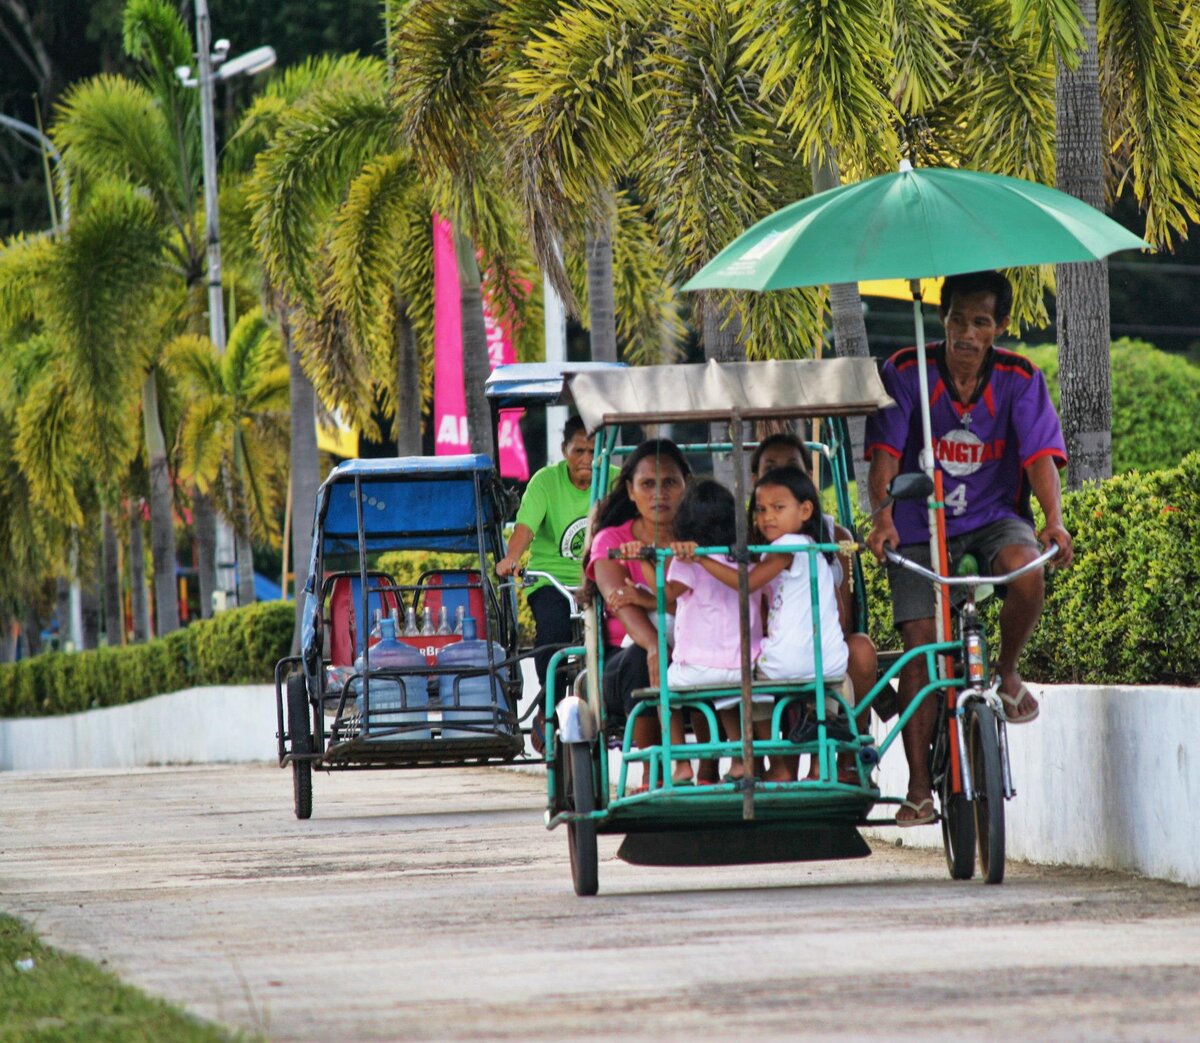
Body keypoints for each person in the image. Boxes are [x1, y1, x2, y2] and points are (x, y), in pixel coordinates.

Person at [864, 269, 1074, 827]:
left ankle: (1005, 672)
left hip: (993, 518)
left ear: (999, 326)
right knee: (924, 649)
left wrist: (1053, 521)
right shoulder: (905, 370)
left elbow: (1039, 459)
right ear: (942, 318)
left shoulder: (1021, 377)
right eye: (957, 318)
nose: (965, 333)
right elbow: (884, 455)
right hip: (918, 521)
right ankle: (916, 789)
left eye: (980, 322)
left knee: (1029, 573)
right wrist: (882, 519)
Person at [693, 466, 850, 783]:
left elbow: (746, 584)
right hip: (831, 662)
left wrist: (702, 559)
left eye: (778, 508)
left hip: (785, 663)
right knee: (830, 687)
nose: (767, 518)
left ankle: (773, 761)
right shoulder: (817, 550)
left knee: (746, 676)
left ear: (805, 510)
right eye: (761, 510)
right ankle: (820, 765)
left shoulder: (786, 545)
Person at [496, 415, 615, 751]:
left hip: (602, 577)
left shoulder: (616, 481)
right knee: (552, 634)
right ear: (565, 451)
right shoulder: (545, 482)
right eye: (579, 450)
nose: (586, 459)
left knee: (618, 633)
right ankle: (549, 706)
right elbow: (525, 529)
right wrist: (513, 558)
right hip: (553, 581)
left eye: (593, 451)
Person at [583, 439, 692, 792]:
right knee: (638, 658)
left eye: (670, 483)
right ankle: (652, 769)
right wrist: (656, 646)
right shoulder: (611, 540)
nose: (659, 494)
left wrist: (649, 599)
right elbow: (620, 602)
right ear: (630, 490)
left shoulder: (700, 539)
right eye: (648, 484)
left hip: (697, 644)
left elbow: (712, 602)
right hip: (626, 656)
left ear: (686, 485)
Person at [750, 432, 881, 721]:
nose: (783, 476)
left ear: (808, 479)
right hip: (764, 647)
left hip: (819, 644)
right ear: (755, 481)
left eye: (792, 469)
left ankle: (850, 757)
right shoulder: (748, 540)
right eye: (771, 470)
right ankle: (768, 762)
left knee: (860, 649)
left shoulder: (835, 539)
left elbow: (842, 617)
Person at [663, 478, 765, 785]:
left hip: (695, 669)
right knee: (728, 700)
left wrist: (644, 569)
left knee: (664, 694)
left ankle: (681, 763)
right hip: (742, 666)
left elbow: (667, 595)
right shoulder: (745, 559)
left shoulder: (688, 562)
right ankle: (739, 762)